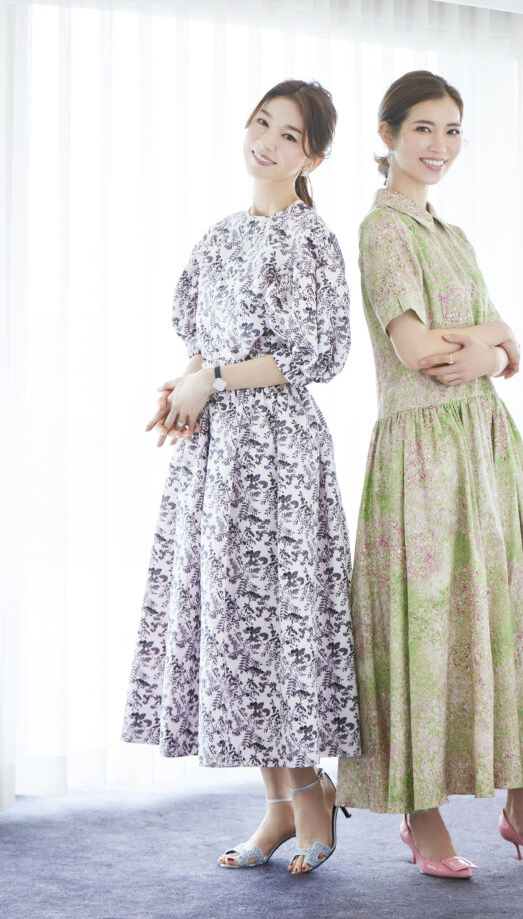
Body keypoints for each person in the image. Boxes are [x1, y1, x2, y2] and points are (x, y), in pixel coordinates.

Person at [336, 70, 523, 878]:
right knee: (427, 632)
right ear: (387, 135)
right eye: (423, 128)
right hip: (420, 454)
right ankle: (422, 819)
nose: (439, 145)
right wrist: (495, 339)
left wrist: (495, 347)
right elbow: (419, 351)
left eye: (452, 131)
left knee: (511, 619)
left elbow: (500, 352)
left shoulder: (452, 234)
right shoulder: (382, 230)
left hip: (484, 445)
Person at [122, 79, 360, 875]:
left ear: (312, 158)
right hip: (216, 453)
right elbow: (200, 338)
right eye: (262, 123)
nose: (267, 141)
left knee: (277, 625)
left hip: (278, 455)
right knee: (236, 628)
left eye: (289, 135)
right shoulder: (219, 236)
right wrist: (184, 390)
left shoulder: (311, 239)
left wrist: (213, 378)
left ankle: (311, 798)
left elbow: (316, 354)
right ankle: (278, 809)